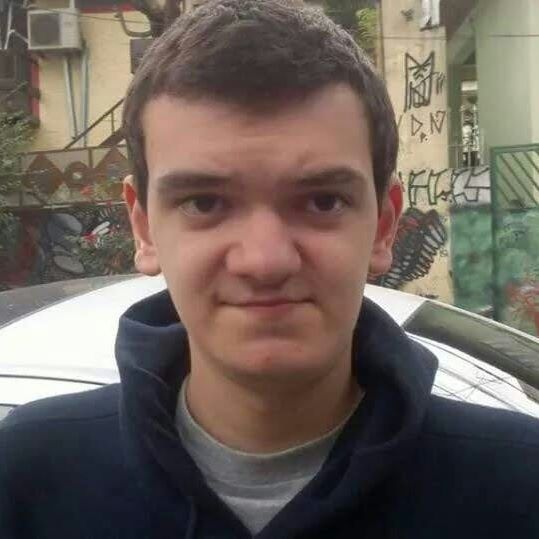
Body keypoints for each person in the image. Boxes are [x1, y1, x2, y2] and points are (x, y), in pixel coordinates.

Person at [1, 0, 538, 537]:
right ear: (143, 228)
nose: (264, 260)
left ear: (383, 225)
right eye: (205, 203)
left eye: (323, 201)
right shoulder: (24, 474)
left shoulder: (520, 485)